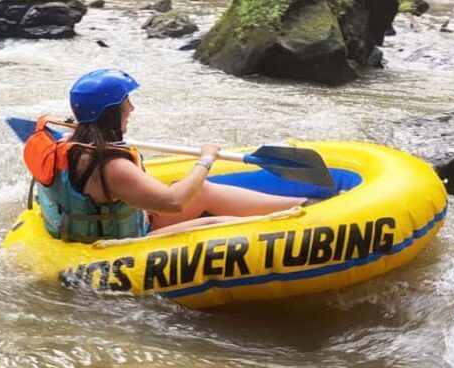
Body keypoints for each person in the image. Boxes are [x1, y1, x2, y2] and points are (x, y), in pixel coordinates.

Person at [24, 68, 307, 242]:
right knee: (213, 224)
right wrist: (206, 159)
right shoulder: (111, 167)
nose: (131, 109)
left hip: (96, 225)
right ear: (110, 112)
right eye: (126, 103)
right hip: (119, 242)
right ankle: (302, 227)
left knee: (203, 191)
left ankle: (304, 205)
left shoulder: (70, 141)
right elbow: (174, 202)